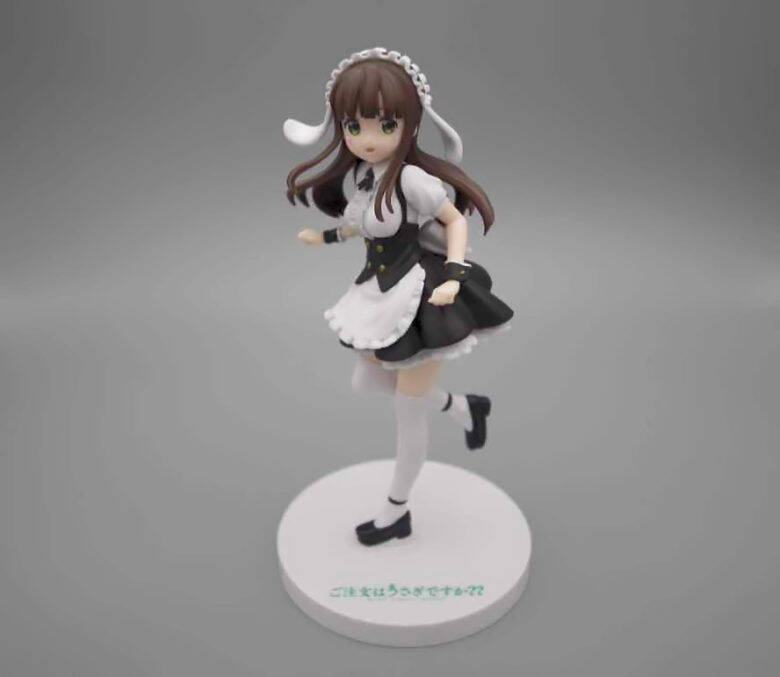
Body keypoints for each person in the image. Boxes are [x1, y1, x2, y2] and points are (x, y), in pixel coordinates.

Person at [283, 47, 513, 546]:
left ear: (409, 125)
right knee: (367, 381)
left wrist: (454, 275)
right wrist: (323, 237)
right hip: (377, 291)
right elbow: (361, 225)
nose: (368, 139)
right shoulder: (363, 177)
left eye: (385, 125)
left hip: (421, 300)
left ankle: (396, 511)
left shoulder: (412, 179)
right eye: (354, 126)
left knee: (407, 413)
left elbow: (453, 221)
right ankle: (463, 407)